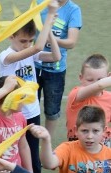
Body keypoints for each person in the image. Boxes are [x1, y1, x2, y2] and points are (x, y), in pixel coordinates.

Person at [0, 3, 60, 173]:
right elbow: (37, 48)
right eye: (23, 41)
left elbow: (56, 57)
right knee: (10, 156)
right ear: (11, 35)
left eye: (30, 40)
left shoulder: (31, 53)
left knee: (32, 157)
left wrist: (47, 31)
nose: (27, 45)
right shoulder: (5, 56)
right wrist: (49, 17)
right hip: (11, 115)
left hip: (31, 113)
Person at [36, 0, 82, 139]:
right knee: (30, 107)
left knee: (52, 110)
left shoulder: (73, 10)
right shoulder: (40, 3)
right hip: (34, 65)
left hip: (55, 71)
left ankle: (46, 141)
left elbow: (71, 42)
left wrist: (49, 38)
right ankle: (29, 139)